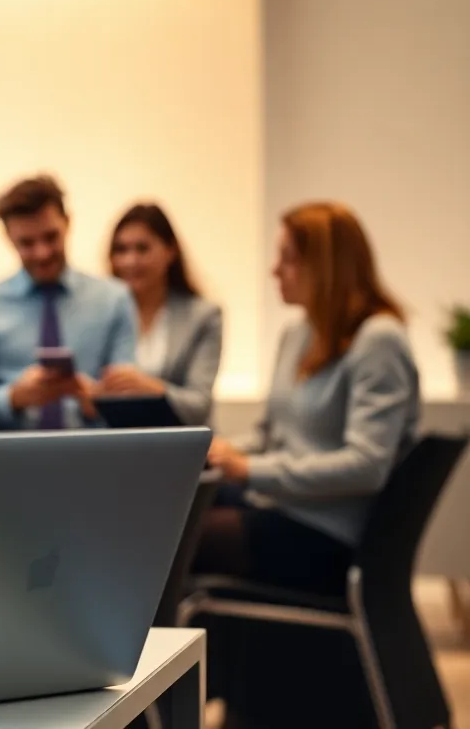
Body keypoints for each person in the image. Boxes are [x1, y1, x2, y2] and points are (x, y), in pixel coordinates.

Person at [192, 201, 419, 727]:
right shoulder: (299, 333)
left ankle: (190, 700)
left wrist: (249, 470)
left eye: (289, 259)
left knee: (181, 542)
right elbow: (273, 434)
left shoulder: (377, 340)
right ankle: (224, 697)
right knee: (170, 514)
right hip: (283, 508)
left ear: (329, 265)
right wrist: (225, 452)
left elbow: (367, 465)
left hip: (325, 534)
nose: (275, 270)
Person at [0, 174, 136, 430]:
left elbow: (129, 396)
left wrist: (100, 399)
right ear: (8, 237)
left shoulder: (114, 299)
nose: (42, 253)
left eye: (51, 237)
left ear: (68, 223)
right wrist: (13, 398)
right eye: (27, 243)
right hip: (10, 458)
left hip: (96, 453)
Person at [103, 203, 222, 426]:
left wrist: (150, 388)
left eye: (142, 248)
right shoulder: (103, 313)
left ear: (170, 251)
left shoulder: (203, 316)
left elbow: (199, 405)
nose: (130, 261)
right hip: (117, 446)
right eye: (121, 250)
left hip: (180, 447)